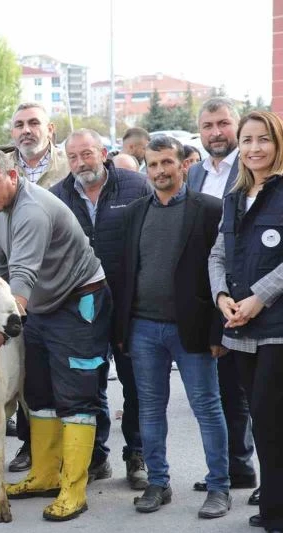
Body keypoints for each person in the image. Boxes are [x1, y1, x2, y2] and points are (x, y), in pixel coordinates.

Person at [0, 147, 109, 522]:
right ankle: (45, 475)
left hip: (79, 304)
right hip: (40, 307)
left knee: (76, 394)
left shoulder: (31, 210)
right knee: (39, 393)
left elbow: (21, 281)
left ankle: (74, 489)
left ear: (13, 176)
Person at [113, 135, 230, 518]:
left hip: (191, 329)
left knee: (208, 409)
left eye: (167, 163)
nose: (160, 171)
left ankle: (219, 488)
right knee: (149, 409)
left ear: (184, 165)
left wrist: (218, 332)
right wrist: (123, 330)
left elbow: (222, 272)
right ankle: (158, 483)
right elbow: (125, 273)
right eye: (152, 164)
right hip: (143, 329)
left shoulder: (210, 210)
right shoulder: (134, 212)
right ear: (145, 169)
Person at [50, 129, 152, 490]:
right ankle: (96, 456)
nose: (81, 163)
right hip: (82, 310)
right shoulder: (57, 196)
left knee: (135, 384)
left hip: (130, 305)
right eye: (73, 157)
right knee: (89, 384)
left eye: (87, 154)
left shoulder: (136, 186)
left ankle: (137, 455)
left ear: (104, 152)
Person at [208, 110, 283, 533]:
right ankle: (273, 504)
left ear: (277, 143)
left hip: (276, 327)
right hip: (240, 328)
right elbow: (218, 253)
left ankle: (277, 511)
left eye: (263, 139)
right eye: (247, 140)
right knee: (260, 415)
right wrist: (222, 296)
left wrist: (259, 298)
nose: (255, 148)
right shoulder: (234, 196)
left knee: (273, 420)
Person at [188, 98, 257, 500]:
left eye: (223, 124)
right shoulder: (195, 172)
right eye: (208, 125)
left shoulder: (251, 171)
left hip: (245, 296)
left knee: (241, 390)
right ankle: (230, 468)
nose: (216, 132)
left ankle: (244, 467)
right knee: (216, 389)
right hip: (208, 293)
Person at [9, 102, 69, 188]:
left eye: (34, 123)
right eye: (19, 125)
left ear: (50, 130)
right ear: (12, 133)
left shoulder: (69, 165)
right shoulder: (0, 167)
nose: (26, 130)